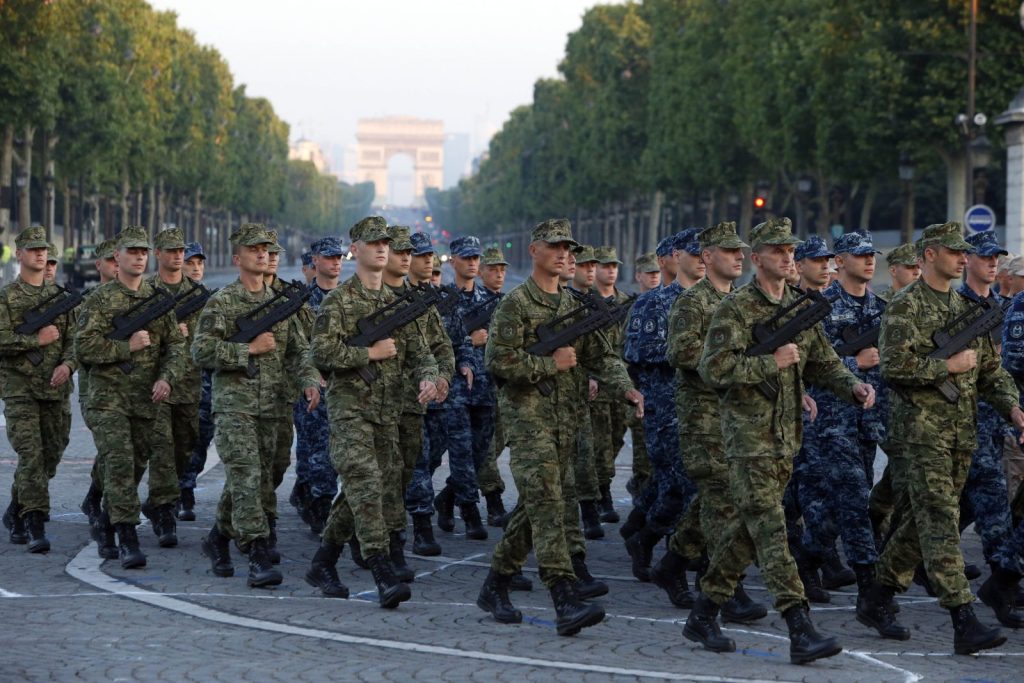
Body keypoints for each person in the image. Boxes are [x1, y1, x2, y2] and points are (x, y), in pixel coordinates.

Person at [684, 217, 876, 665]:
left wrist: (851, 386)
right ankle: (799, 627)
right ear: (757, 258)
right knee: (772, 531)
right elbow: (713, 370)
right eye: (777, 250)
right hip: (747, 439)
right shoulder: (735, 309)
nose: (788, 257)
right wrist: (770, 362)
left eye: (790, 250)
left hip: (786, 437)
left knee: (746, 533)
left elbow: (823, 361)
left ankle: (703, 612)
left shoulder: (798, 305)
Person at [861, 222, 1024, 655]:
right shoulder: (906, 305)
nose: (961, 257)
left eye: (963, 251)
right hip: (920, 435)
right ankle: (963, 618)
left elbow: (990, 372)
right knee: (940, 521)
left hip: (960, 434)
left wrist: (1012, 408)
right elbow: (893, 367)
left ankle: (877, 596)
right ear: (930, 254)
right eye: (953, 251)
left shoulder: (966, 308)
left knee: (920, 523)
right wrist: (946, 367)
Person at [475, 218, 642, 636]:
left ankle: (495, 585)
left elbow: (602, 356)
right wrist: (549, 364)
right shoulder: (515, 304)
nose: (564, 254)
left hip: (567, 420)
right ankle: (564, 596)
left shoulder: (573, 306)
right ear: (534, 250)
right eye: (555, 246)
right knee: (548, 503)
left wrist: (625, 388)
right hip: (528, 420)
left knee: (536, 507)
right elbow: (497, 360)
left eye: (568, 247)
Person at [306, 216, 439, 608]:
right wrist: (368, 353)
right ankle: (382, 572)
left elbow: (421, 352)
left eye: (386, 243)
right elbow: (321, 353)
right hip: (350, 412)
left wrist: (429, 377)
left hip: (388, 413)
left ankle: (323, 562)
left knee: (366, 492)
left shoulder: (397, 305)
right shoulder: (338, 302)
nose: (382, 248)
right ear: (355, 250)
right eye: (373, 242)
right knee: (365, 485)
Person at [193, 223, 319, 588]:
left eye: (266, 248)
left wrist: (309, 380)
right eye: (253, 249)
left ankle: (218, 536)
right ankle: (257, 553)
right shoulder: (223, 302)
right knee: (247, 476)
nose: (262, 253)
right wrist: (246, 349)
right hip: (235, 405)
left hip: (276, 405)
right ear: (237, 258)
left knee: (268, 475)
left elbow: (299, 351)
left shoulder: (281, 304)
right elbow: (200, 351)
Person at [797, 231, 906, 638]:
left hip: (868, 419)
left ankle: (806, 559)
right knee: (857, 500)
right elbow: (807, 362)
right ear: (839, 262)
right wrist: (854, 363)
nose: (869, 261)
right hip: (830, 420)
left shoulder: (883, 309)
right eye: (859, 256)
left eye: (870, 255)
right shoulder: (819, 308)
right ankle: (870, 595)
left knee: (833, 511)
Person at [660, 221, 766, 622]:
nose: (739, 257)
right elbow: (680, 353)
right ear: (707, 256)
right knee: (725, 501)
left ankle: (673, 561)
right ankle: (727, 589)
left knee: (718, 499)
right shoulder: (692, 302)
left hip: (738, 416)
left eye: (740, 251)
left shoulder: (741, 301)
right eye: (729, 251)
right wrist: (729, 359)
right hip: (703, 416)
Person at [74, 226, 187, 569]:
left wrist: (167, 378)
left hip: (145, 400)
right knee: (120, 464)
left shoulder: (158, 301)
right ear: (117, 257)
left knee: (136, 465)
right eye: (132, 252)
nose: (138, 258)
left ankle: (106, 521)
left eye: (143, 252)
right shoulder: (99, 300)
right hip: (108, 399)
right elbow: (83, 347)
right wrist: (126, 347)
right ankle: (127, 537)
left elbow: (176, 346)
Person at [621, 229, 704, 581]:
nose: (703, 260)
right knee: (682, 485)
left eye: (706, 254)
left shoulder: (715, 300)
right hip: (665, 408)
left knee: (676, 486)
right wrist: (692, 353)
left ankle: (644, 535)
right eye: (696, 253)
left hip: (704, 410)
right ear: (677, 256)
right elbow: (636, 352)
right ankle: (675, 563)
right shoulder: (652, 303)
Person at [955, 230, 1024, 629]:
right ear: (967, 260)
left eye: (996, 257)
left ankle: (1002, 582)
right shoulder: (954, 305)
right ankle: (1001, 582)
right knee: (988, 500)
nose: (993, 263)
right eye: (986, 257)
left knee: (983, 500)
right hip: (964, 418)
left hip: (997, 417)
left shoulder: (1002, 306)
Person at [377, 225, 454, 579]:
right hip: (371, 407)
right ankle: (384, 544)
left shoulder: (420, 301)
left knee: (407, 471)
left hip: (412, 404)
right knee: (375, 476)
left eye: (412, 252)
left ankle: (393, 537)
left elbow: (440, 347)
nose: (407, 257)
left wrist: (442, 377)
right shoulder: (364, 296)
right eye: (401, 251)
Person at [0, 227, 78, 552]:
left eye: (43, 249)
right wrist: (35, 340)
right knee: (31, 455)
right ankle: (35, 522)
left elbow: (75, 340)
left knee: (50, 455)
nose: (40, 253)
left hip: (55, 390)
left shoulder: (60, 297)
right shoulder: (6, 297)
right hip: (20, 390)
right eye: (33, 249)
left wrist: (68, 365)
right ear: (19, 254)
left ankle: (15, 509)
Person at [141, 227, 201, 548]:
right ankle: (164, 512)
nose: (178, 256)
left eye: (180, 250)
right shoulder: (145, 292)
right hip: (154, 384)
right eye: (171, 251)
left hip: (188, 383)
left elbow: (208, 337)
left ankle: (159, 500)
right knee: (162, 449)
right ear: (158, 254)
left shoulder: (198, 295)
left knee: (184, 448)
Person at [434, 235, 495, 540]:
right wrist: (470, 341)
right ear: (453, 260)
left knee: (480, 453)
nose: (472, 263)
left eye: (475, 258)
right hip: (456, 388)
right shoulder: (444, 301)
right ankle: (470, 511)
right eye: (466, 258)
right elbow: (435, 341)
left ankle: (446, 498)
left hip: (486, 386)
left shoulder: (491, 300)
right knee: (460, 450)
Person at [403, 231, 457, 557]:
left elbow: (444, 346)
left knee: (432, 456)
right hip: (403, 399)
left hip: (435, 397)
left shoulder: (432, 299)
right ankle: (422, 526)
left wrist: (444, 377)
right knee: (418, 460)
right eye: (421, 255)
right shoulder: (394, 296)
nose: (428, 260)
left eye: (430, 255)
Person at [291, 236, 344, 534]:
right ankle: (317, 503)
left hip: (344, 387)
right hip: (312, 387)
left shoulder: (349, 298)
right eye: (329, 257)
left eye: (339, 257)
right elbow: (297, 346)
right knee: (313, 452)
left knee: (333, 453)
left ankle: (316, 499)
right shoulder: (302, 301)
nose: (336, 262)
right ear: (315, 261)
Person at [76, 238, 119, 549]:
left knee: (117, 452)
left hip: (129, 391)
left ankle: (94, 496)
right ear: (99, 265)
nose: (116, 266)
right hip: (95, 390)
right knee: (113, 449)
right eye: (110, 260)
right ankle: (109, 518)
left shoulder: (136, 299)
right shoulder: (87, 302)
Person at [476, 246, 510, 526]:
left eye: (502, 270)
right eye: (492, 269)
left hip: (503, 386)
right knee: (485, 447)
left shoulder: (509, 303)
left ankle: (449, 494)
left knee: (496, 444)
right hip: (476, 386)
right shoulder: (472, 301)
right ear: (481, 272)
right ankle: (493, 499)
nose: (498, 274)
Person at [177, 241, 210, 521]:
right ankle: (177, 491)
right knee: (176, 441)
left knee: (201, 438)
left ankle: (185, 485)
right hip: (176, 380)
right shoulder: (170, 301)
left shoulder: (211, 299)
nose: (196, 268)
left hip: (204, 381)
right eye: (190, 263)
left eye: (199, 263)